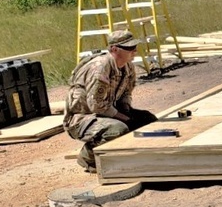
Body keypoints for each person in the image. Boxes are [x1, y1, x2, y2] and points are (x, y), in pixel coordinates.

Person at [63, 30, 157, 172]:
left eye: (134, 47)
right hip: (83, 119)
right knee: (118, 129)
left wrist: (127, 112)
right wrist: (124, 118)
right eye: (129, 48)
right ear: (114, 49)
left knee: (147, 119)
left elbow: (126, 93)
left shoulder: (127, 66)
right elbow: (96, 105)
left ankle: (129, 154)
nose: (134, 51)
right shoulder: (100, 68)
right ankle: (88, 158)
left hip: (105, 112)